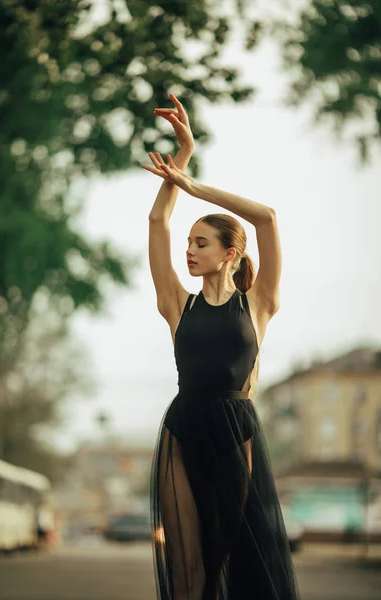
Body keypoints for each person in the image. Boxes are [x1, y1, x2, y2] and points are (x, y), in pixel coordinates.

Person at [143, 94, 300, 600]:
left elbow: (268, 219)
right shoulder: (176, 304)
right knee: (186, 566)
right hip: (182, 430)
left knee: (227, 565)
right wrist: (182, 155)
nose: (187, 251)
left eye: (200, 243)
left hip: (237, 433)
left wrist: (195, 187)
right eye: (188, 243)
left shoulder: (259, 304)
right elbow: (156, 224)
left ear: (230, 254)